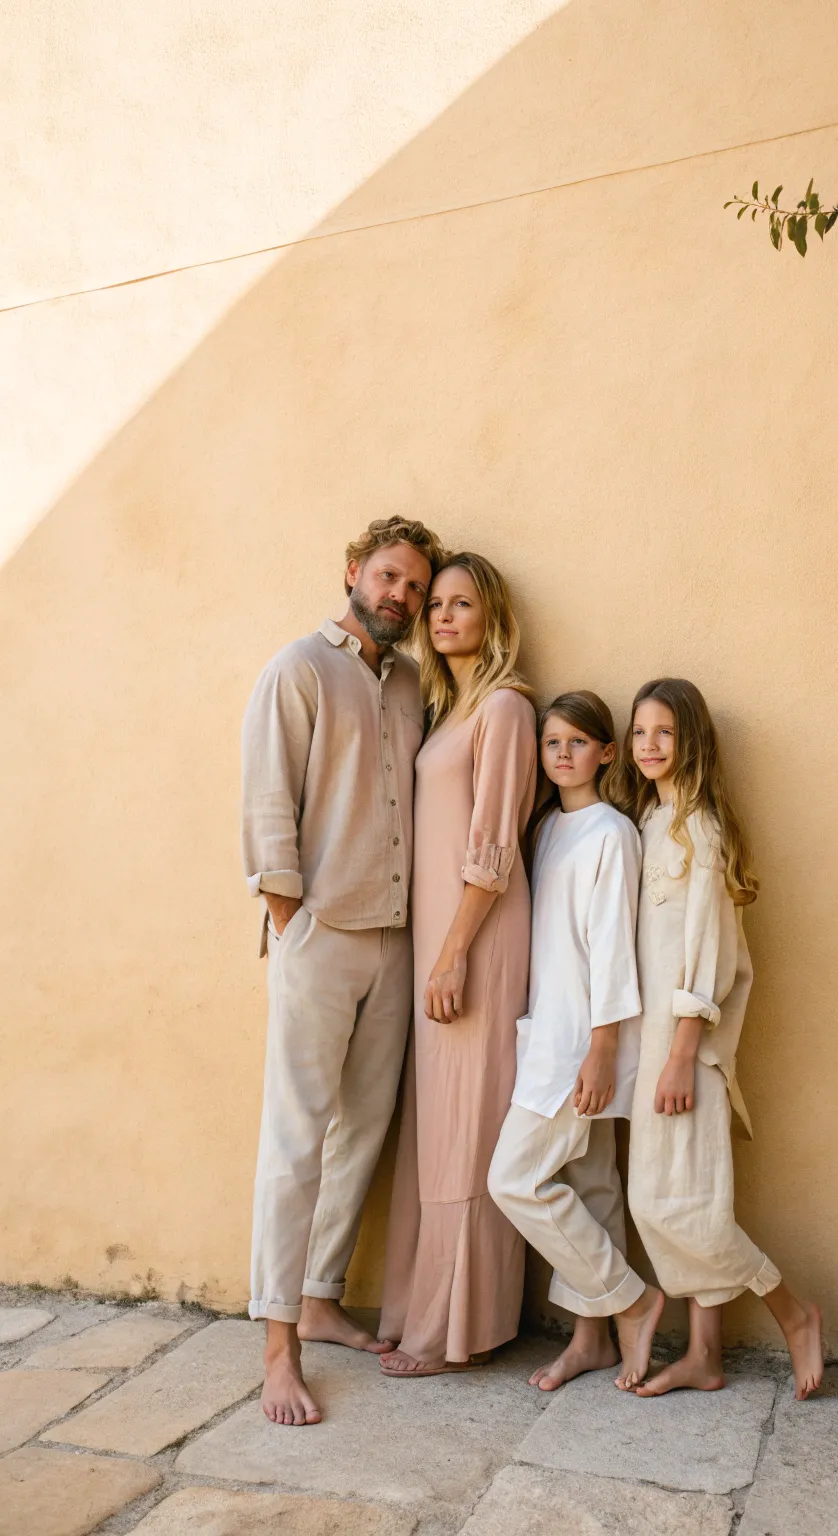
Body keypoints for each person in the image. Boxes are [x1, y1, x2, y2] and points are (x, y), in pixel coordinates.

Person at [241, 515, 446, 1426]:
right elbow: (266, 801)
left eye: (415, 585)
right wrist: (293, 920)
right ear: (356, 572)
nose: (400, 595)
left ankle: (322, 1298)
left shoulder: (409, 684)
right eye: (390, 576)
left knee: (363, 1128)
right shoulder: (299, 668)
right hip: (321, 935)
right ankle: (278, 1345)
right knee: (295, 1138)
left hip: (396, 940)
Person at [609, 678, 824, 1399]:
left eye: (664, 732)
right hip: (654, 1056)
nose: (648, 745)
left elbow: (707, 958)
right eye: (639, 731)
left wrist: (679, 1057)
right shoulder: (648, 823)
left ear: (693, 740)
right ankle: (704, 1355)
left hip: (689, 1055)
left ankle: (793, 1311)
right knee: (678, 1201)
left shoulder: (699, 828)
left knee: (674, 1206)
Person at [378, 553, 537, 1376]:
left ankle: (456, 1330)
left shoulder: (505, 708)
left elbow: (493, 850)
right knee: (438, 1121)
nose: (441, 617)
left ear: (491, 616)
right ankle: (420, 1311)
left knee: (467, 1123)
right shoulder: (451, 709)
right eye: (434, 604)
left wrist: (451, 956)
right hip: (444, 941)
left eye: (460, 604)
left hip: (478, 938)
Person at [488, 691, 665, 1393]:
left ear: (607, 752)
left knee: (515, 1179)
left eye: (577, 743)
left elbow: (613, 952)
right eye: (551, 743)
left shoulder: (612, 834)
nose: (562, 755)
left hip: (580, 1047)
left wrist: (601, 1050)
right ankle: (591, 1341)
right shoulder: (546, 832)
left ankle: (632, 1299)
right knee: (592, 1186)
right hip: (548, 1033)